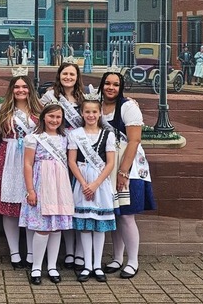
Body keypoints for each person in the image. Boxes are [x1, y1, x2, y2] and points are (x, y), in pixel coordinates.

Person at [97, 72, 156, 280]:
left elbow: (134, 141)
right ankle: (117, 257)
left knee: (127, 215)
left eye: (115, 84)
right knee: (116, 213)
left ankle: (133, 261)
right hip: (109, 167)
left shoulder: (128, 107)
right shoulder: (98, 105)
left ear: (121, 87)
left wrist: (124, 171)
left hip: (128, 167)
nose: (110, 87)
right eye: (107, 83)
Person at [20, 104, 74, 285]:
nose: (54, 120)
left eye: (58, 117)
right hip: (41, 184)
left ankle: (52, 266)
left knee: (56, 227)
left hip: (60, 186)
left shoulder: (65, 138)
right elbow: (27, 164)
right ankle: (36, 266)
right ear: (44, 117)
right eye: (51, 116)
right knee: (42, 228)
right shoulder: (34, 138)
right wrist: (30, 190)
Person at [0, 76, 42, 269]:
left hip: (32, 158)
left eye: (24, 86)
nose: (20, 90)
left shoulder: (39, 110)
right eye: (16, 87)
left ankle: (31, 252)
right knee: (9, 207)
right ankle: (14, 252)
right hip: (8, 157)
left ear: (30, 89)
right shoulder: (1, 110)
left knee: (31, 206)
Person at [40, 62, 86, 269]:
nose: (68, 77)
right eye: (65, 73)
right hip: (56, 152)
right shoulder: (50, 96)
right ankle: (68, 252)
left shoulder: (84, 97)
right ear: (59, 76)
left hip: (80, 152)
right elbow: (36, 114)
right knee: (63, 202)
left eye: (72, 74)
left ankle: (78, 252)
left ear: (77, 77)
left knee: (77, 201)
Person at [68, 100, 116, 282]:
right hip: (81, 180)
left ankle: (97, 265)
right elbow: (71, 161)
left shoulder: (107, 135)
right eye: (87, 111)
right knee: (86, 225)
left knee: (99, 226)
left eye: (94, 112)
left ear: (99, 113)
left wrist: (95, 184)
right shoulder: (75, 134)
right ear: (82, 113)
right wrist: (83, 183)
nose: (91, 115)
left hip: (100, 182)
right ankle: (87, 265)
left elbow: (110, 162)